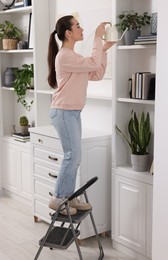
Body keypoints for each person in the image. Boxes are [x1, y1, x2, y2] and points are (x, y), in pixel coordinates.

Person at [47, 15, 115, 215]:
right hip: (63, 111)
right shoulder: (65, 56)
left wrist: (103, 51)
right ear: (68, 32)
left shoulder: (73, 58)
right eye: (77, 26)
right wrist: (97, 38)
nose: (81, 28)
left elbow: (97, 73)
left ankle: (68, 197)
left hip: (72, 112)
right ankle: (59, 198)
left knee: (74, 157)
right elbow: (93, 64)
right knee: (73, 155)